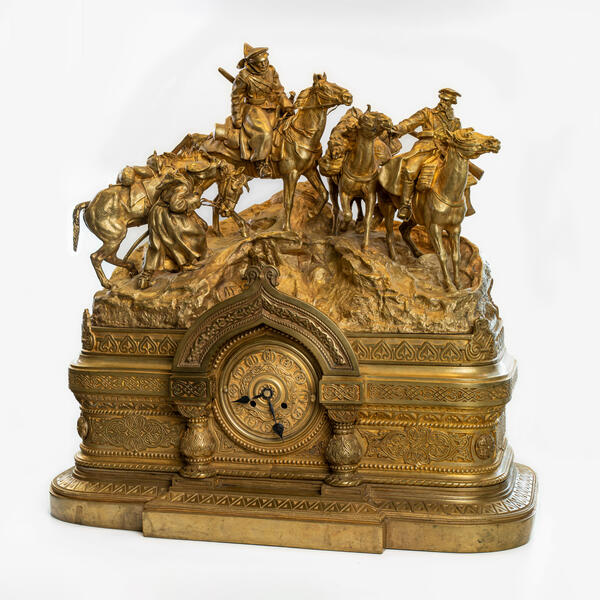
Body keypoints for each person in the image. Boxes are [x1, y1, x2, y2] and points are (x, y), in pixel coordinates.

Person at [393, 88, 462, 218]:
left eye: (448, 102)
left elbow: (459, 138)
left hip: (446, 151)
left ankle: (463, 206)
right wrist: (398, 128)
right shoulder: (427, 113)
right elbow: (409, 123)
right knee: (410, 170)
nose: (444, 103)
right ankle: (405, 206)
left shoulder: (455, 122)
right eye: (443, 100)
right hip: (425, 148)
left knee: (462, 175)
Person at [231, 43, 293, 178]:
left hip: (272, 106)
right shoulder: (243, 77)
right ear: (252, 63)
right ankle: (260, 163)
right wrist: (237, 119)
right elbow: (236, 99)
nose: (264, 65)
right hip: (253, 109)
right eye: (260, 63)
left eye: (265, 61)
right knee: (265, 133)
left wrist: (287, 104)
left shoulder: (271, 71)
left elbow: (278, 90)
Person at [138, 172, 208, 289]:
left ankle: (144, 279)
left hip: (158, 212)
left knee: (158, 244)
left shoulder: (175, 182)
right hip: (166, 215)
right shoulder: (183, 187)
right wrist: (192, 201)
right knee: (195, 233)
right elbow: (176, 206)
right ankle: (186, 263)